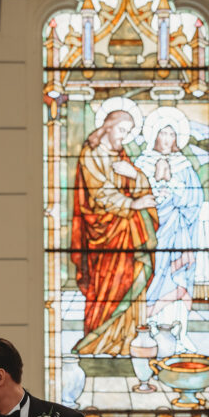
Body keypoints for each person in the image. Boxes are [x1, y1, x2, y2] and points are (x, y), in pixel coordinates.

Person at [71, 109, 158, 357]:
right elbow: (98, 193)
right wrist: (132, 204)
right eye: (122, 130)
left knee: (132, 279)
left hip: (128, 232)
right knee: (107, 288)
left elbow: (137, 185)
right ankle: (99, 342)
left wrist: (136, 176)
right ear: (108, 126)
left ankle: (128, 339)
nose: (124, 136)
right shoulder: (91, 154)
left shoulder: (121, 154)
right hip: (103, 235)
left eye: (128, 132)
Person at [136, 109, 203, 351]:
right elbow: (133, 195)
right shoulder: (141, 164)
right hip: (148, 232)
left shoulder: (184, 166)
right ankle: (147, 329)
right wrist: (153, 194)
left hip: (177, 233)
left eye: (171, 134)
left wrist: (175, 192)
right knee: (152, 277)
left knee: (177, 278)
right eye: (162, 133)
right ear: (154, 135)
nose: (166, 139)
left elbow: (196, 200)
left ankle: (178, 331)